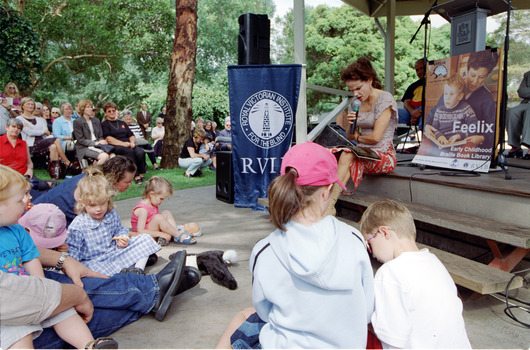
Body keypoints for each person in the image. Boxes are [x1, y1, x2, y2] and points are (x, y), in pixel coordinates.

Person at [218, 141, 374, 349]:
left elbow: (264, 311)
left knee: (243, 317)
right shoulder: (355, 240)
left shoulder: (265, 250)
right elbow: (366, 310)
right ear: (327, 191)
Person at [0, 165, 118, 350]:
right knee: (17, 334)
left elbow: (31, 259)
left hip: (31, 293)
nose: (29, 198)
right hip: (9, 309)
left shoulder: (16, 230)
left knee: (63, 311)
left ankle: (88, 345)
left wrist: (41, 290)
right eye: (21, 197)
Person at [359, 199, 471, 348]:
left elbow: (392, 339)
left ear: (384, 232)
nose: (371, 253)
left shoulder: (389, 272)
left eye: (369, 244)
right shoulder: (433, 261)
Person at [325, 57, 398, 216]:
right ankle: (320, 201)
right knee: (331, 154)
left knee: (347, 154)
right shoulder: (355, 104)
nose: (355, 94)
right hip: (362, 153)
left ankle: (329, 205)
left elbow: (376, 137)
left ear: (370, 80)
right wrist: (351, 125)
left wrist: (357, 138)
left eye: (358, 88)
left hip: (383, 155)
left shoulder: (385, 99)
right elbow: (350, 135)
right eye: (351, 90)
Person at [66, 168, 161, 276]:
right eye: (92, 205)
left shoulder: (111, 214)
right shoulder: (78, 225)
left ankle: (138, 271)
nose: (98, 209)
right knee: (92, 270)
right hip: (95, 262)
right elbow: (73, 253)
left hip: (115, 253)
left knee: (145, 238)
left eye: (102, 203)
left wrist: (122, 238)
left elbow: (118, 230)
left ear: (108, 199)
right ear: (82, 202)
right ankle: (127, 268)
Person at [33, 155, 136, 227]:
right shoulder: (93, 187)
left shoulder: (96, 178)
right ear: (114, 179)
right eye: (128, 181)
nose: (130, 184)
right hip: (45, 219)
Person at [426, 49, 499, 147]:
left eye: (481, 77)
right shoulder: (452, 89)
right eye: (473, 75)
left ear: (486, 76)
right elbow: (434, 113)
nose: (475, 81)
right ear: (467, 70)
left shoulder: (487, 100)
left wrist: (482, 138)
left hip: (465, 144)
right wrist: (427, 126)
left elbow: (493, 128)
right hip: (441, 141)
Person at [131, 176, 197, 246]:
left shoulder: (152, 203)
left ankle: (175, 232)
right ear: (151, 194)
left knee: (166, 212)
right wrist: (160, 233)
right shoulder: (143, 210)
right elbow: (140, 231)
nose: (162, 201)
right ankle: (178, 235)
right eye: (161, 199)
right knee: (158, 217)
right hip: (145, 236)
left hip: (153, 230)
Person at [0, 118, 57, 198]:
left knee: (52, 185)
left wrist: (29, 170)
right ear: (6, 127)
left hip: (25, 175)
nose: (16, 129)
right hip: (8, 178)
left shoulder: (23, 144)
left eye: (19, 128)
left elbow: (29, 163)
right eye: (13, 126)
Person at [16, 97, 74, 175]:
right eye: (28, 104)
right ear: (22, 106)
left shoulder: (40, 119)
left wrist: (36, 130)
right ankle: (67, 162)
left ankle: (56, 173)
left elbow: (46, 132)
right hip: (31, 144)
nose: (30, 106)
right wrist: (41, 131)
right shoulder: (19, 119)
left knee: (53, 147)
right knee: (56, 139)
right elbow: (30, 133)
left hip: (43, 141)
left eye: (32, 104)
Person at [424, 74, 478, 146]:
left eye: (452, 94)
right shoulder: (439, 110)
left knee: (469, 147)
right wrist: (440, 136)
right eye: (445, 94)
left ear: (460, 96)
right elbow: (434, 129)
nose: (447, 97)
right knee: (425, 144)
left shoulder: (466, 109)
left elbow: (474, 127)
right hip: (441, 143)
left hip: (458, 143)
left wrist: (459, 135)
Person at [101, 101, 147, 184]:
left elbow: (131, 135)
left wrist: (132, 142)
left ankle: (141, 173)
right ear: (106, 113)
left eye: (113, 110)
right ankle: (135, 175)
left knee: (140, 152)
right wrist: (123, 144)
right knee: (129, 152)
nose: (112, 112)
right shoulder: (105, 124)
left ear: (116, 111)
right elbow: (108, 139)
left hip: (128, 144)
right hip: (115, 146)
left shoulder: (122, 123)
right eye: (109, 111)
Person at [72, 99, 111, 166]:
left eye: (91, 107)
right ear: (83, 109)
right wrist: (95, 143)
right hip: (84, 147)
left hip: (98, 145)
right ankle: (92, 173)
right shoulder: (77, 122)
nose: (90, 109)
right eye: (88, 107)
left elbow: (100, 136)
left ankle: (96, 168)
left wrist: (102, 141)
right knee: (104, 157)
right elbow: (81, 140)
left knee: (113, 156)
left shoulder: (96, 120)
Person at [507, 70, 530, 159]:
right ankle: (515, 146)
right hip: (527, 103)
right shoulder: (528, 74)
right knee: (512, 112)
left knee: (529, 112)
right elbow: (521, 92)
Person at [399, 58, 425, 129]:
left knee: (426, 116)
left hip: (427, 112)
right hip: (412, 112)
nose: (419, 72)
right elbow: (406, 103)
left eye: (421, 68)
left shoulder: (436, 83)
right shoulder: (413, 86)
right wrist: (413, 112)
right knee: (390, 112)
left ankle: (425, 139)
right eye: (417, 70)